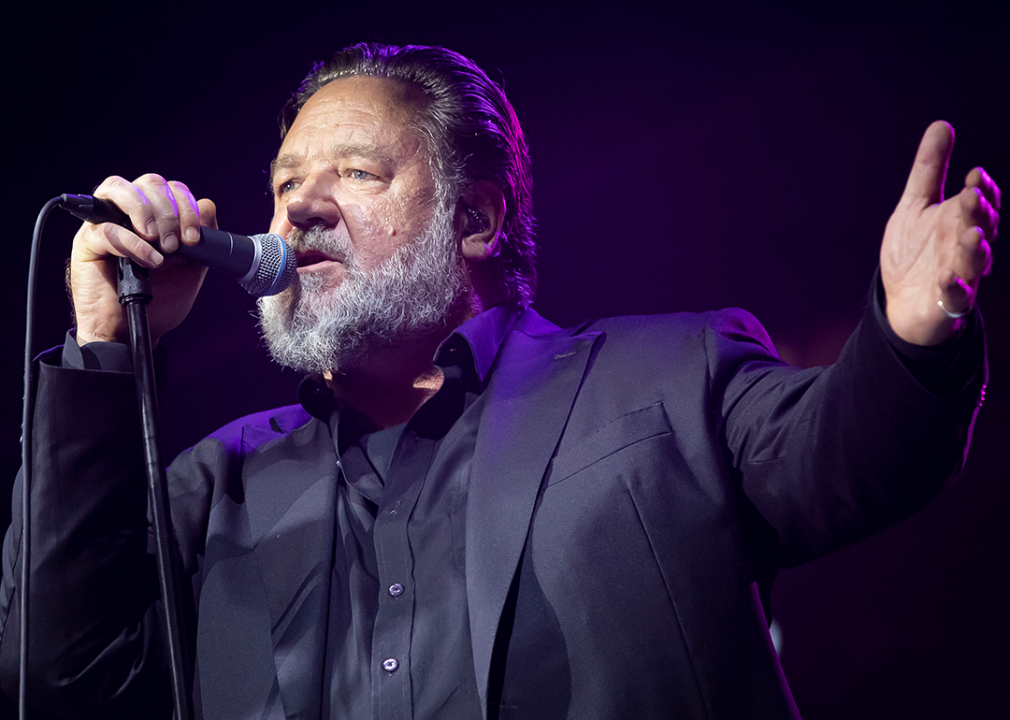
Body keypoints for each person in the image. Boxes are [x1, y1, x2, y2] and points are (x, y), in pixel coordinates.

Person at [0, 42, 998, 720]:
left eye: (354, 174)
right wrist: (106, 348)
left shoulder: (662, 382)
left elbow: (855, 456)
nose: (295, 208)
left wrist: (905, 334)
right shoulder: (212, 488)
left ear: (474, 220)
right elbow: (55, 675)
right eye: (281, 184)